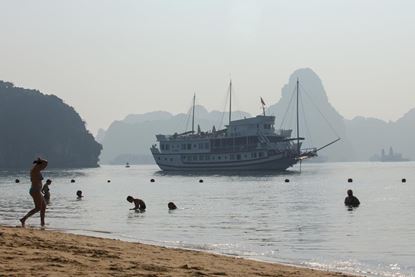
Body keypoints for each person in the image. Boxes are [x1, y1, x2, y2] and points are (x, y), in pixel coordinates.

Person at [20, 158, 48, 227]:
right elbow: (46, 162)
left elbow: (45, 163)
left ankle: (42, 223)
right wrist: (40, 160)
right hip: (35, 190)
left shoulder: (37, 170)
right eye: (42, 166)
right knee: (38, 207)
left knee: (43, 206)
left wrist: (40, 161)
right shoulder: (35, 170)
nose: (44, 168)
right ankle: (24, 219)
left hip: (37, 190)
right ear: (39, 165)